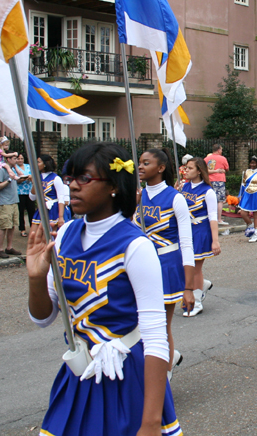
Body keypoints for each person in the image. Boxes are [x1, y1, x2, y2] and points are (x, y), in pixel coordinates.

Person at [25, 142, 180, 436]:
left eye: (84, 178)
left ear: (113, 186)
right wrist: (36, 278)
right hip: (80, 373)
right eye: (70, 178)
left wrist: (150, 423)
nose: (72, 186)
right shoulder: (65, 235)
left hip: (127, 375)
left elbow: (156, 336)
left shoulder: (135, 245)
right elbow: (42, 318)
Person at [136, 147, 195, 380]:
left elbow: (187, 244)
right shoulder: (140, 196)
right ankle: (171, 356)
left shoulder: (175, 197)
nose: (140, 166)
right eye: (139, 162)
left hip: (167, 266)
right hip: (141, 267)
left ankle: (164, 377)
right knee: (140, 326)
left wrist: (189, 288)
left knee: (160, 327)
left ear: (160, 168)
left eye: (146, 163)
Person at [180, 157, 220, 317]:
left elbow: (213, 217)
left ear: (199, 171)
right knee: (184, 266)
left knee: (194, 268)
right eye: (186, 168)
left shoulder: (208, 191)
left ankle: (196, 302)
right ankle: (202, 285)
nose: (186, 170)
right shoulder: (184, 187)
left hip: (200, 232)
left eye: (190, 168)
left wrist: (215, 240)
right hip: (185, 231)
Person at [0, 153, 23, 259]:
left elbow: (17, 181)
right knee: (4, 226)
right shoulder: (1, 170)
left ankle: (9, 247)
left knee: (12, 225)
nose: (17, 160)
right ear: (8, 159)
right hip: (4, 203)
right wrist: (9, 180)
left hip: (14, 201)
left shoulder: (13, 170)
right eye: (14, 158)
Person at [29, 154, 65, 230]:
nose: (36, 164)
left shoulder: (56, 178)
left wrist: (61, 217)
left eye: (38, 162)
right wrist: (34, 182)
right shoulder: (38, 177)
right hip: (41, 209)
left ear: (45, 164)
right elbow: (32, 198)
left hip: (53, 210)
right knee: (33, 233)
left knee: (48, 237)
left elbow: (61, 199)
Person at [204, 144, 230, 226]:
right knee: (220, 200)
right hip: (219, 180)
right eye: (221, 149)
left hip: (209, 180)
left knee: (209, 199)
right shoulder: (222, 158)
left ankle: (210, 218)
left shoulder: (207, 159)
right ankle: (218, 219)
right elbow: (227, 169)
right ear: (218, 150)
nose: (222, 151)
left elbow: (204, 170)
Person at [14, 154, 35, 237]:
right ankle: (22, 229)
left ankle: (33, 228)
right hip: (20, 192)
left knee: (31, 211)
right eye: (18, 158)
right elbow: (16, 180)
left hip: (29, 191)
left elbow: (33, 175)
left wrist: (30, 177)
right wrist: (22, 179)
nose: (20, 160)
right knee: (21, 211)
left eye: (22, 158)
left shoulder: (28, 166)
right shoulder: (14, 168)